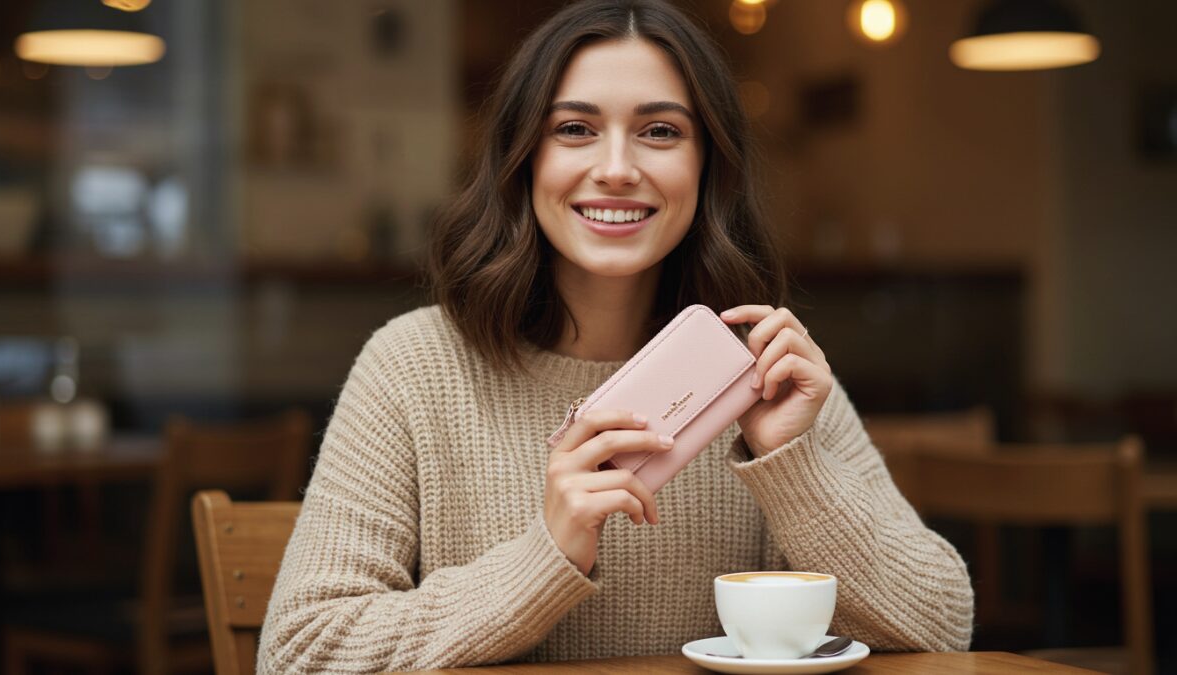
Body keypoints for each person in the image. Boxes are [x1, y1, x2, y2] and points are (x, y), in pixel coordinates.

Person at [258, 0, 973, 670]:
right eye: (574, 129)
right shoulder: (412, 366)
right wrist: (545, 557)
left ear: (707, 165)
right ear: (524, 158)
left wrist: (791, 461)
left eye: (660, 131)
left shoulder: (761, 366)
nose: (617, 169)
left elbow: (942, 629)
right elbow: (299, 652)